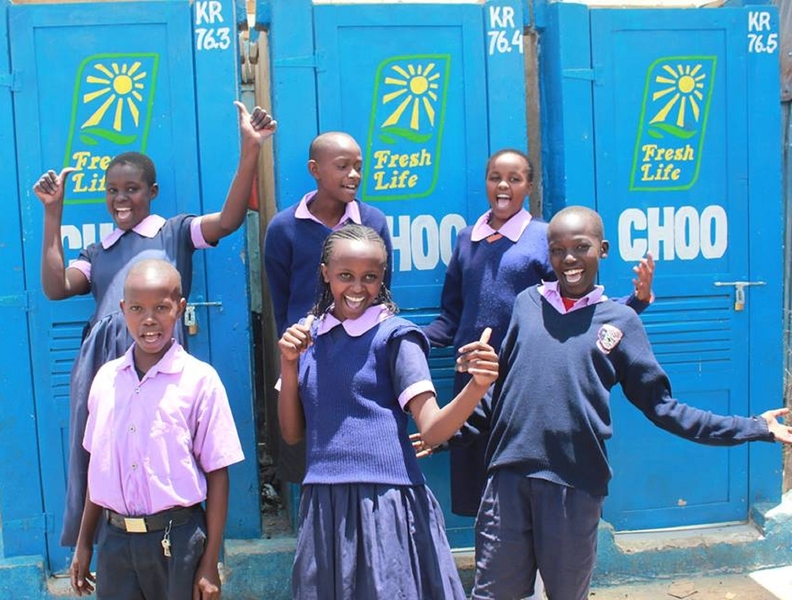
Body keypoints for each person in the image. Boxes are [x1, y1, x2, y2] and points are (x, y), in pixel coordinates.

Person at [465, 206, 792, 600]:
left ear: (602, 250)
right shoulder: (526, 305)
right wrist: (450, 431)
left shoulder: (620, 322)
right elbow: (501, 389)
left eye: (580, 247)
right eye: (557, 249)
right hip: (508, 479)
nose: (568, 259)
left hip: (574, 485)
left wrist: (754, 427)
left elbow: (664, 407)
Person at [34, 101, 275, 545]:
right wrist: (53, 213)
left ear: (153, 191)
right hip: (103, 367)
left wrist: (250, 152)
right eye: (112, 190)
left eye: (132, 190)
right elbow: (55, 287)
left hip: (157, 368)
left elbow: (229, 220)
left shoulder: (175, 232)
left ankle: (172, 540)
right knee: (103, 457)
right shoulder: (98, 251)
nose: (121, 199)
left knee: (163, 452)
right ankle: (103, 544)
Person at [422, 148, 656, 517]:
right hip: (473, 377)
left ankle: (530, 566)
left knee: (520, 477)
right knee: (475, 482)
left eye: (515, 179)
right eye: (495, 177)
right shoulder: (468, 238)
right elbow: (451, 316)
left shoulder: (544, 238)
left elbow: (579, 306)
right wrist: (411, 340)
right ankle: (494, 569)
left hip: (522, 378)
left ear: (528, 186)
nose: (503, 186)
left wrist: (636, 301)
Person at [277, 224, 499, 599]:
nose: (357, 288)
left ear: (383, 278)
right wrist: (287, 363)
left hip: (386, 505)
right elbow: (292, 433)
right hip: (324, 506)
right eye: (345, 275)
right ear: (325, 273)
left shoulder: (397, 337)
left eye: (370, 277)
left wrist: (477, 387)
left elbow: (432, 430)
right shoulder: (306, 337)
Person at [70, 259, 244, 600]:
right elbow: (97, 469)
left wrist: (210, 563)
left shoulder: (200, 381)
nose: (149, 320)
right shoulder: (106, 380)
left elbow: (218, 475)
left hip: (176, 540)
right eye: (137, 308)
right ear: (123, 309)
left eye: (161, 308)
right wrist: (83, 544)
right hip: (115, 542)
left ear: (179, 309)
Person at [264, 131, 393, 335]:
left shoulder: (373, 222)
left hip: (362, 347)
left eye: (358, 168)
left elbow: (382, 291)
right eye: (342, 166)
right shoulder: (284, 228)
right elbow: (281, 301)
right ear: (315, 169)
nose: (354, 175)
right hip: (307, 346)